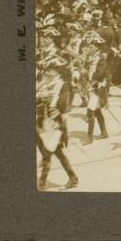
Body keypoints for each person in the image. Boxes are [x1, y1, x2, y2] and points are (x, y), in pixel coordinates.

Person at [37, 60, 79, 190]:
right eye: (46, 69)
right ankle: (73, 178)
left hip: (54, 123)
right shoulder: (44, 82)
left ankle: (42, 184)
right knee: (56, 152)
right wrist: (40, 97)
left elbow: (62, 105)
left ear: (57, 71)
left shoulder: (62, 85)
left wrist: (46, 99)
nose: (46, 71)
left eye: (50, 69)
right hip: (41, 120)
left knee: (47, 152)